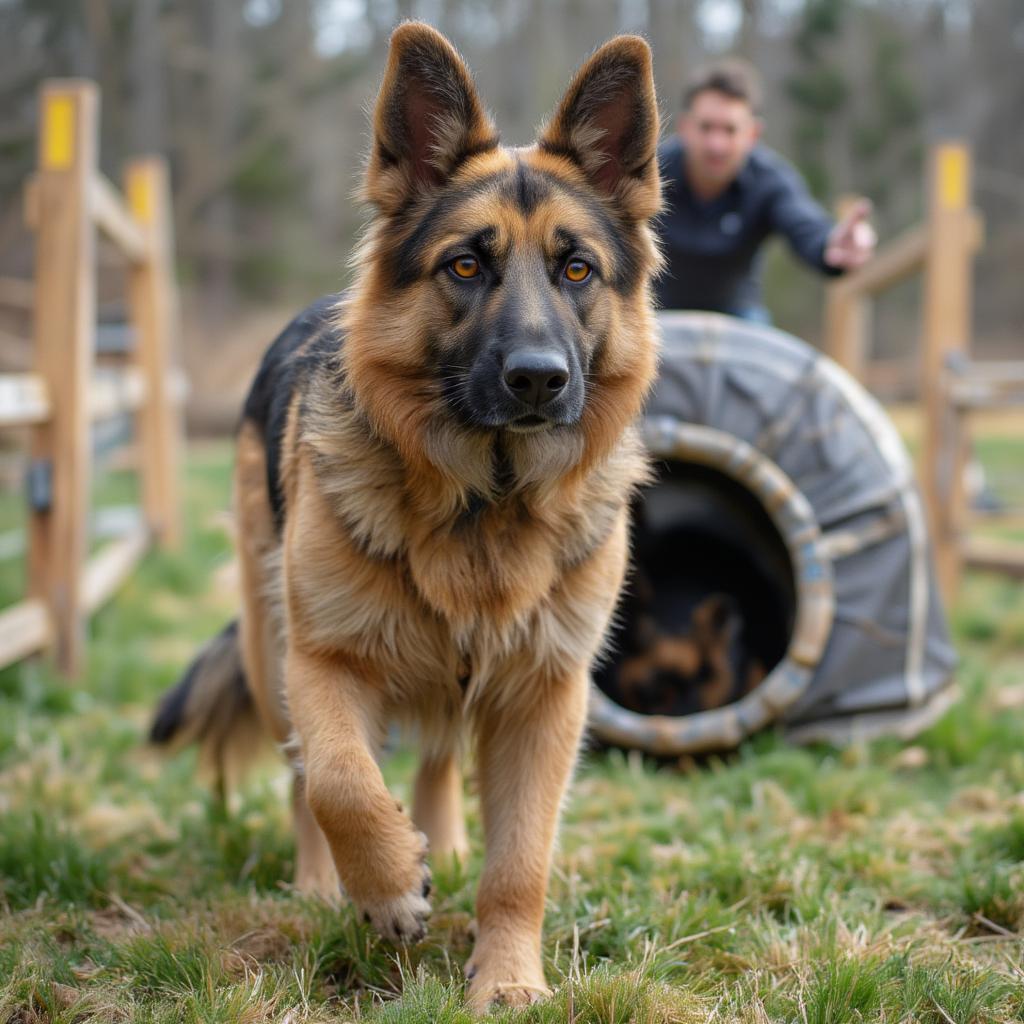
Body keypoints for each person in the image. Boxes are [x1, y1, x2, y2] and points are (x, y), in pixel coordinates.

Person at [655, 57, 876, 322]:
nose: (716, 144)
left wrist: (834, 245)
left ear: (752, 134)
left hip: (739, 314)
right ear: (685, 128)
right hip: (656, 310)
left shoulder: (770, 180)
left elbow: (804, 223)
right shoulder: (650, 174)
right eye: (706, 128)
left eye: (729, 130)